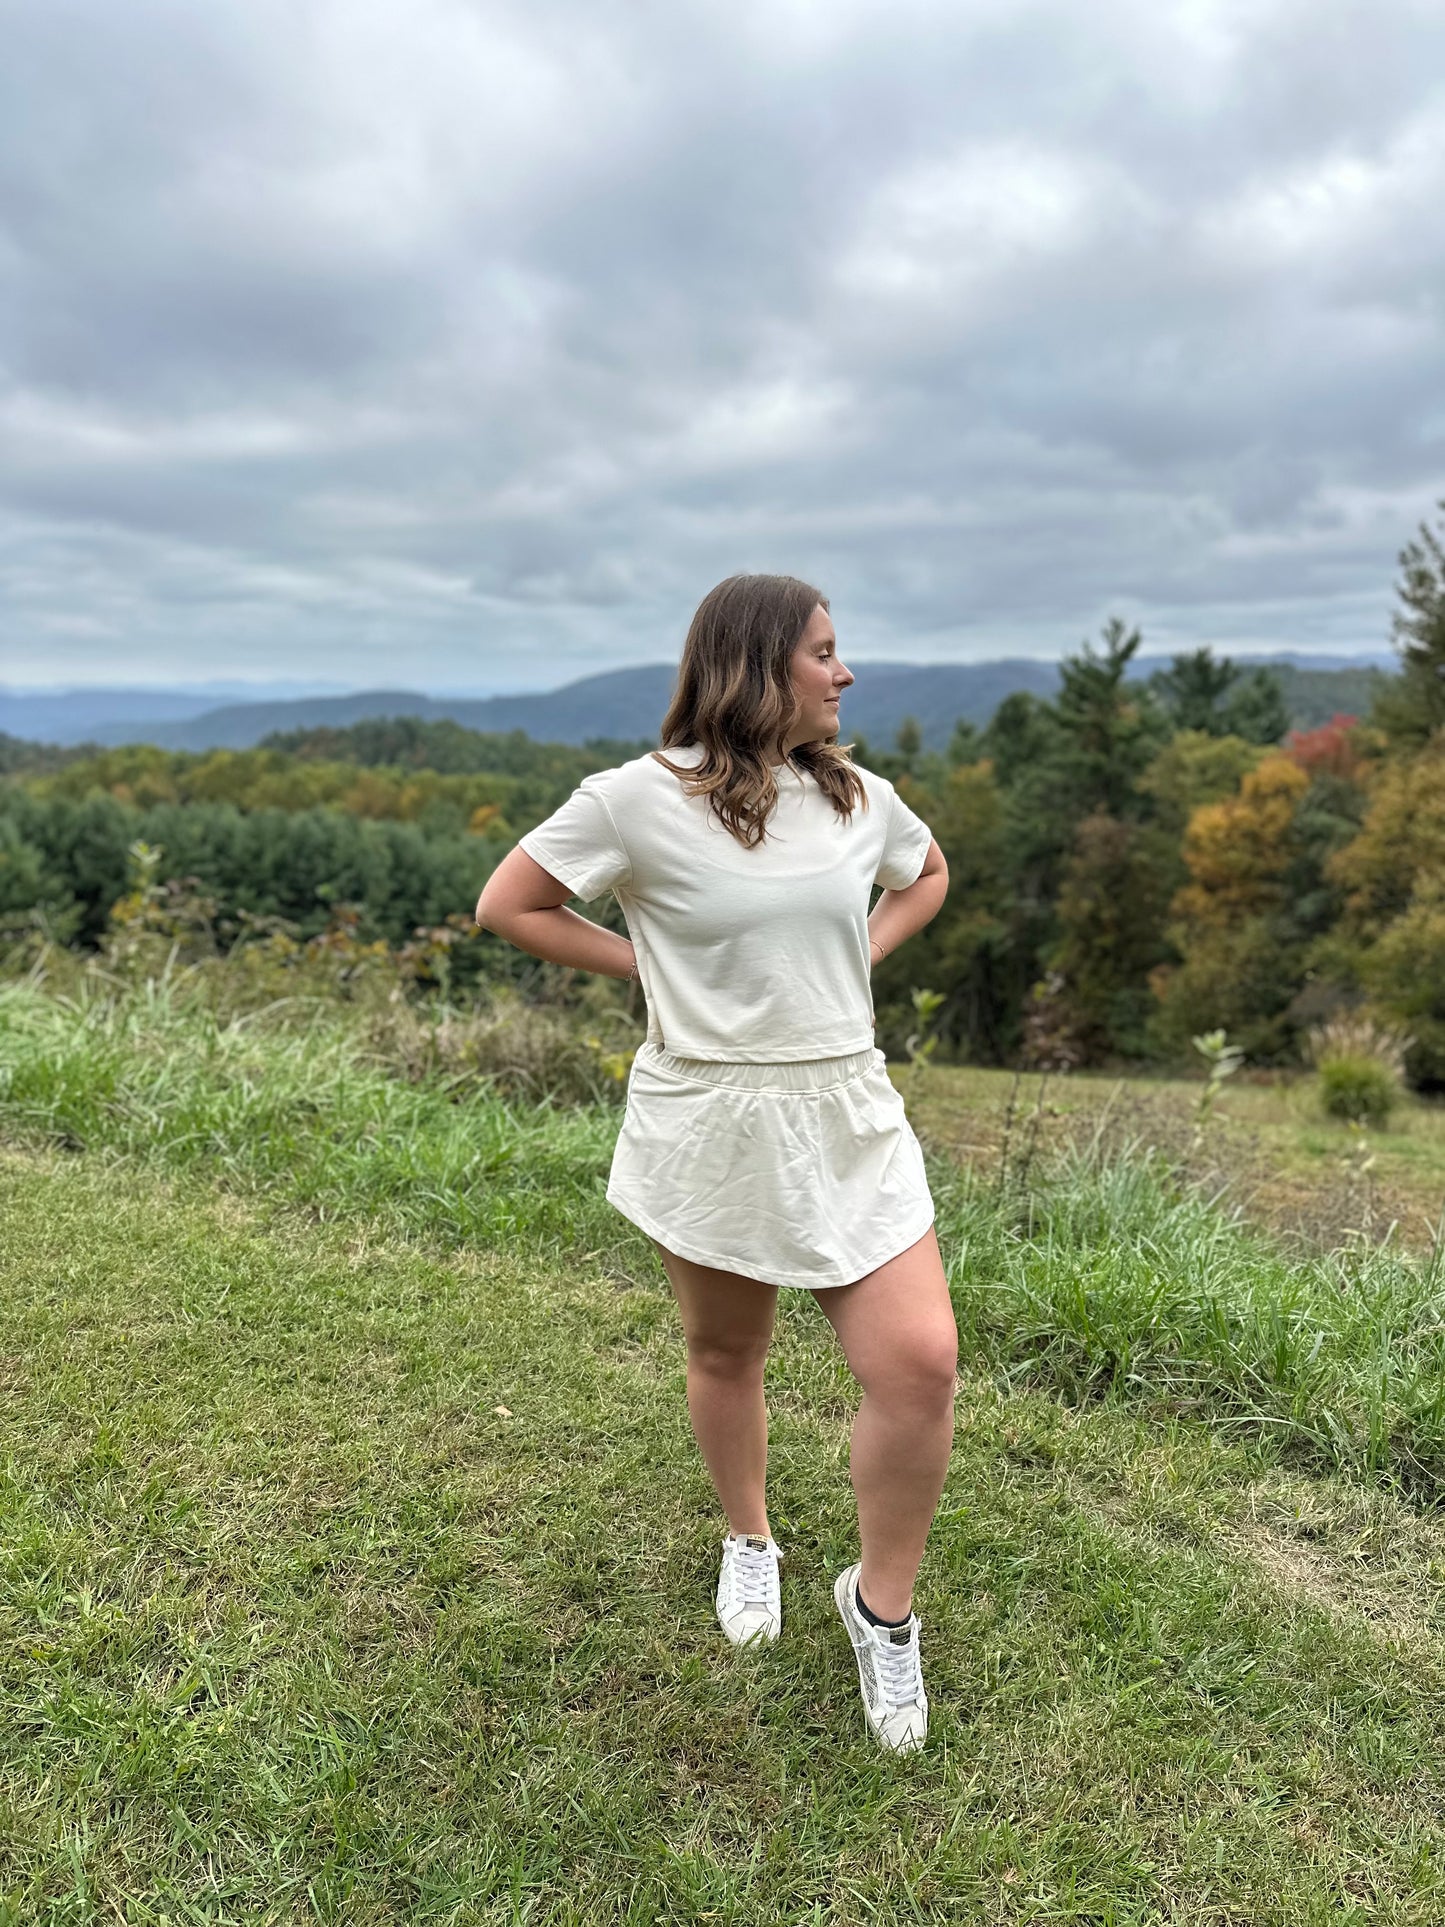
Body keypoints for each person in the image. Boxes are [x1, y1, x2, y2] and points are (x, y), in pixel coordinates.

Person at [475, 573, 955, 1752]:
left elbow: (927, 872)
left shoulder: (858, 798)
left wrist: (859, 951)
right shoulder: (634, 802)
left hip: (846, 1108)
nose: (845, 674)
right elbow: (510, 903)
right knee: (725, 1348)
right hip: (711, 1116)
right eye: (825, 653)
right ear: (754, 668)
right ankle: (750, 1539)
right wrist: (642, 968)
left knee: (920, 1364)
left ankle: (879, 1608)